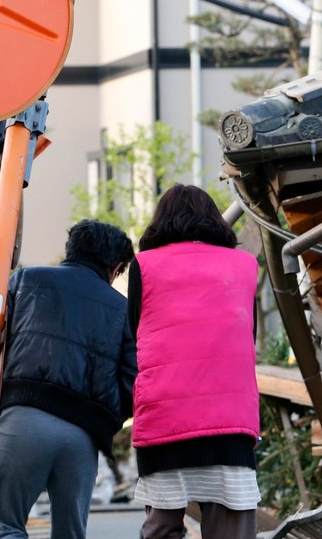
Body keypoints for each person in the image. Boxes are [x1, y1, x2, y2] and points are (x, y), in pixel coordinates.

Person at [0, 220, 137, 539]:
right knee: (70, 534)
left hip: (23, 419)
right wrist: (103, 419)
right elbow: (133, 381)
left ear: (70, 250)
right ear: (116, 266)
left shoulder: (25, 280)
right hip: (83, 435)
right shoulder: (123, 309)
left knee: (3, 525)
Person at [129, 184, 261, 539]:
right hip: (231, 421)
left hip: (165, 419)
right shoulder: (246, 266)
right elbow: (249, 337)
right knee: (231, 529)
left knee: (161, 529)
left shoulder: (143, 265)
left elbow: (133, 333)